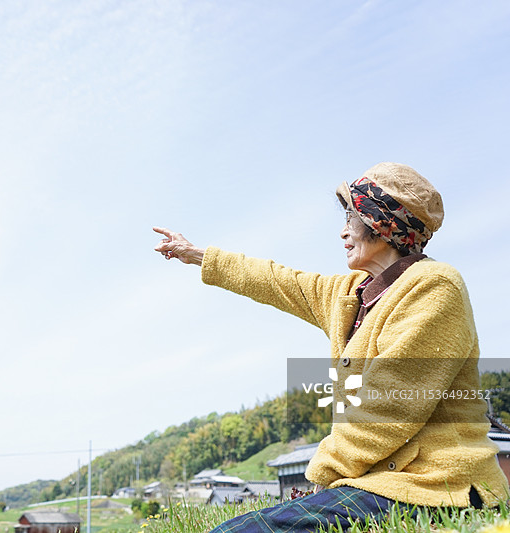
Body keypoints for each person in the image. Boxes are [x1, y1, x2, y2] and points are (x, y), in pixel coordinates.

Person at [153, 162, 508, 532]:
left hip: (438, 488)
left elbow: (386, 409)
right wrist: (197, 255)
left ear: (381, 224)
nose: (343, 232)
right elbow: (277, 280)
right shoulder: (350, 292)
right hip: (379, 483)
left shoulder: (434, 287)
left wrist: (322, 474)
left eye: (351, 220)